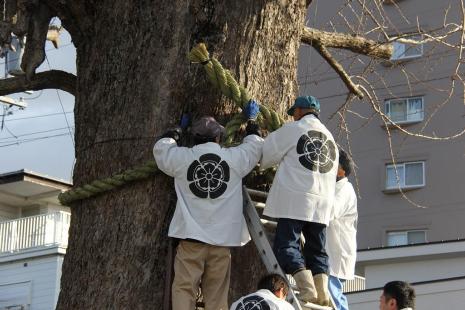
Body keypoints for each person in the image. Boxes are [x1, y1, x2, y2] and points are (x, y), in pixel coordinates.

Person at [153, 102, 263, 310]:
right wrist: (251, 123)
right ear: (218, 137)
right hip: (222, 241)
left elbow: (161, 149)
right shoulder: (233, 160)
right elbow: (255, 147)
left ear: (193, 137)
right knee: (217, 295)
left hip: (191, 239)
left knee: (184, 288)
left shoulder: (183, 159)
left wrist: (177, 130)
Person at [261, 96, 339, 306]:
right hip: (322, 204)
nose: (293, 115)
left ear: (300, 110)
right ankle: (322, 293)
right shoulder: (330, 138)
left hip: (296, 200)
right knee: (317, 250)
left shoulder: (294, 129)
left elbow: (267, 153)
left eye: (294, 111)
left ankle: (307, 289)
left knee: (287, 246)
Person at [326, 149, 357, 310]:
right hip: (332, 253)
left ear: (341, 170)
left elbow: (331, 211)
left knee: (334, 295)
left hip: (337, 254)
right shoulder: (334, 187)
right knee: (331, 295)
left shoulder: (345, 190)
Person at [230, 273, 294, 310]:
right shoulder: (282, 305)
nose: (284, 300)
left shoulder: (236, 304)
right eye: (284, 297)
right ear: (281, 290)